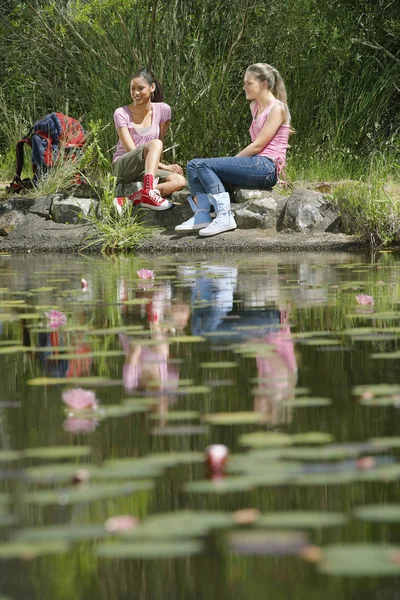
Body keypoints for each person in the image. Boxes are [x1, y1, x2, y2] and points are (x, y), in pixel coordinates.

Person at [175, 63, 291, 236]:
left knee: (203, 165)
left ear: (264, 84)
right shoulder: (255, 107)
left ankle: (224, 215)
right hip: (256, 164)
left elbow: (258, 145)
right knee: (193, 165)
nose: (244, 87)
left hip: (267, 167)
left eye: (248, 83)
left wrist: (232, 162)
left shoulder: (278, 108)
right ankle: (202, 214)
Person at [112, 68, 186, 214]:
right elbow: (132, 151)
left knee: (180, 181)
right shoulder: (121, 113)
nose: (135, 93)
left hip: (146, 170)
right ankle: (149, 192)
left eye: (140, 88)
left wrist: (164, 167)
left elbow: (160, 145)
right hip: (124, 166)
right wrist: (165, 167)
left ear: (152, 88)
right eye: (132, 89)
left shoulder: (164, 110)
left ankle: (131, 199)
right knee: (155, 144)